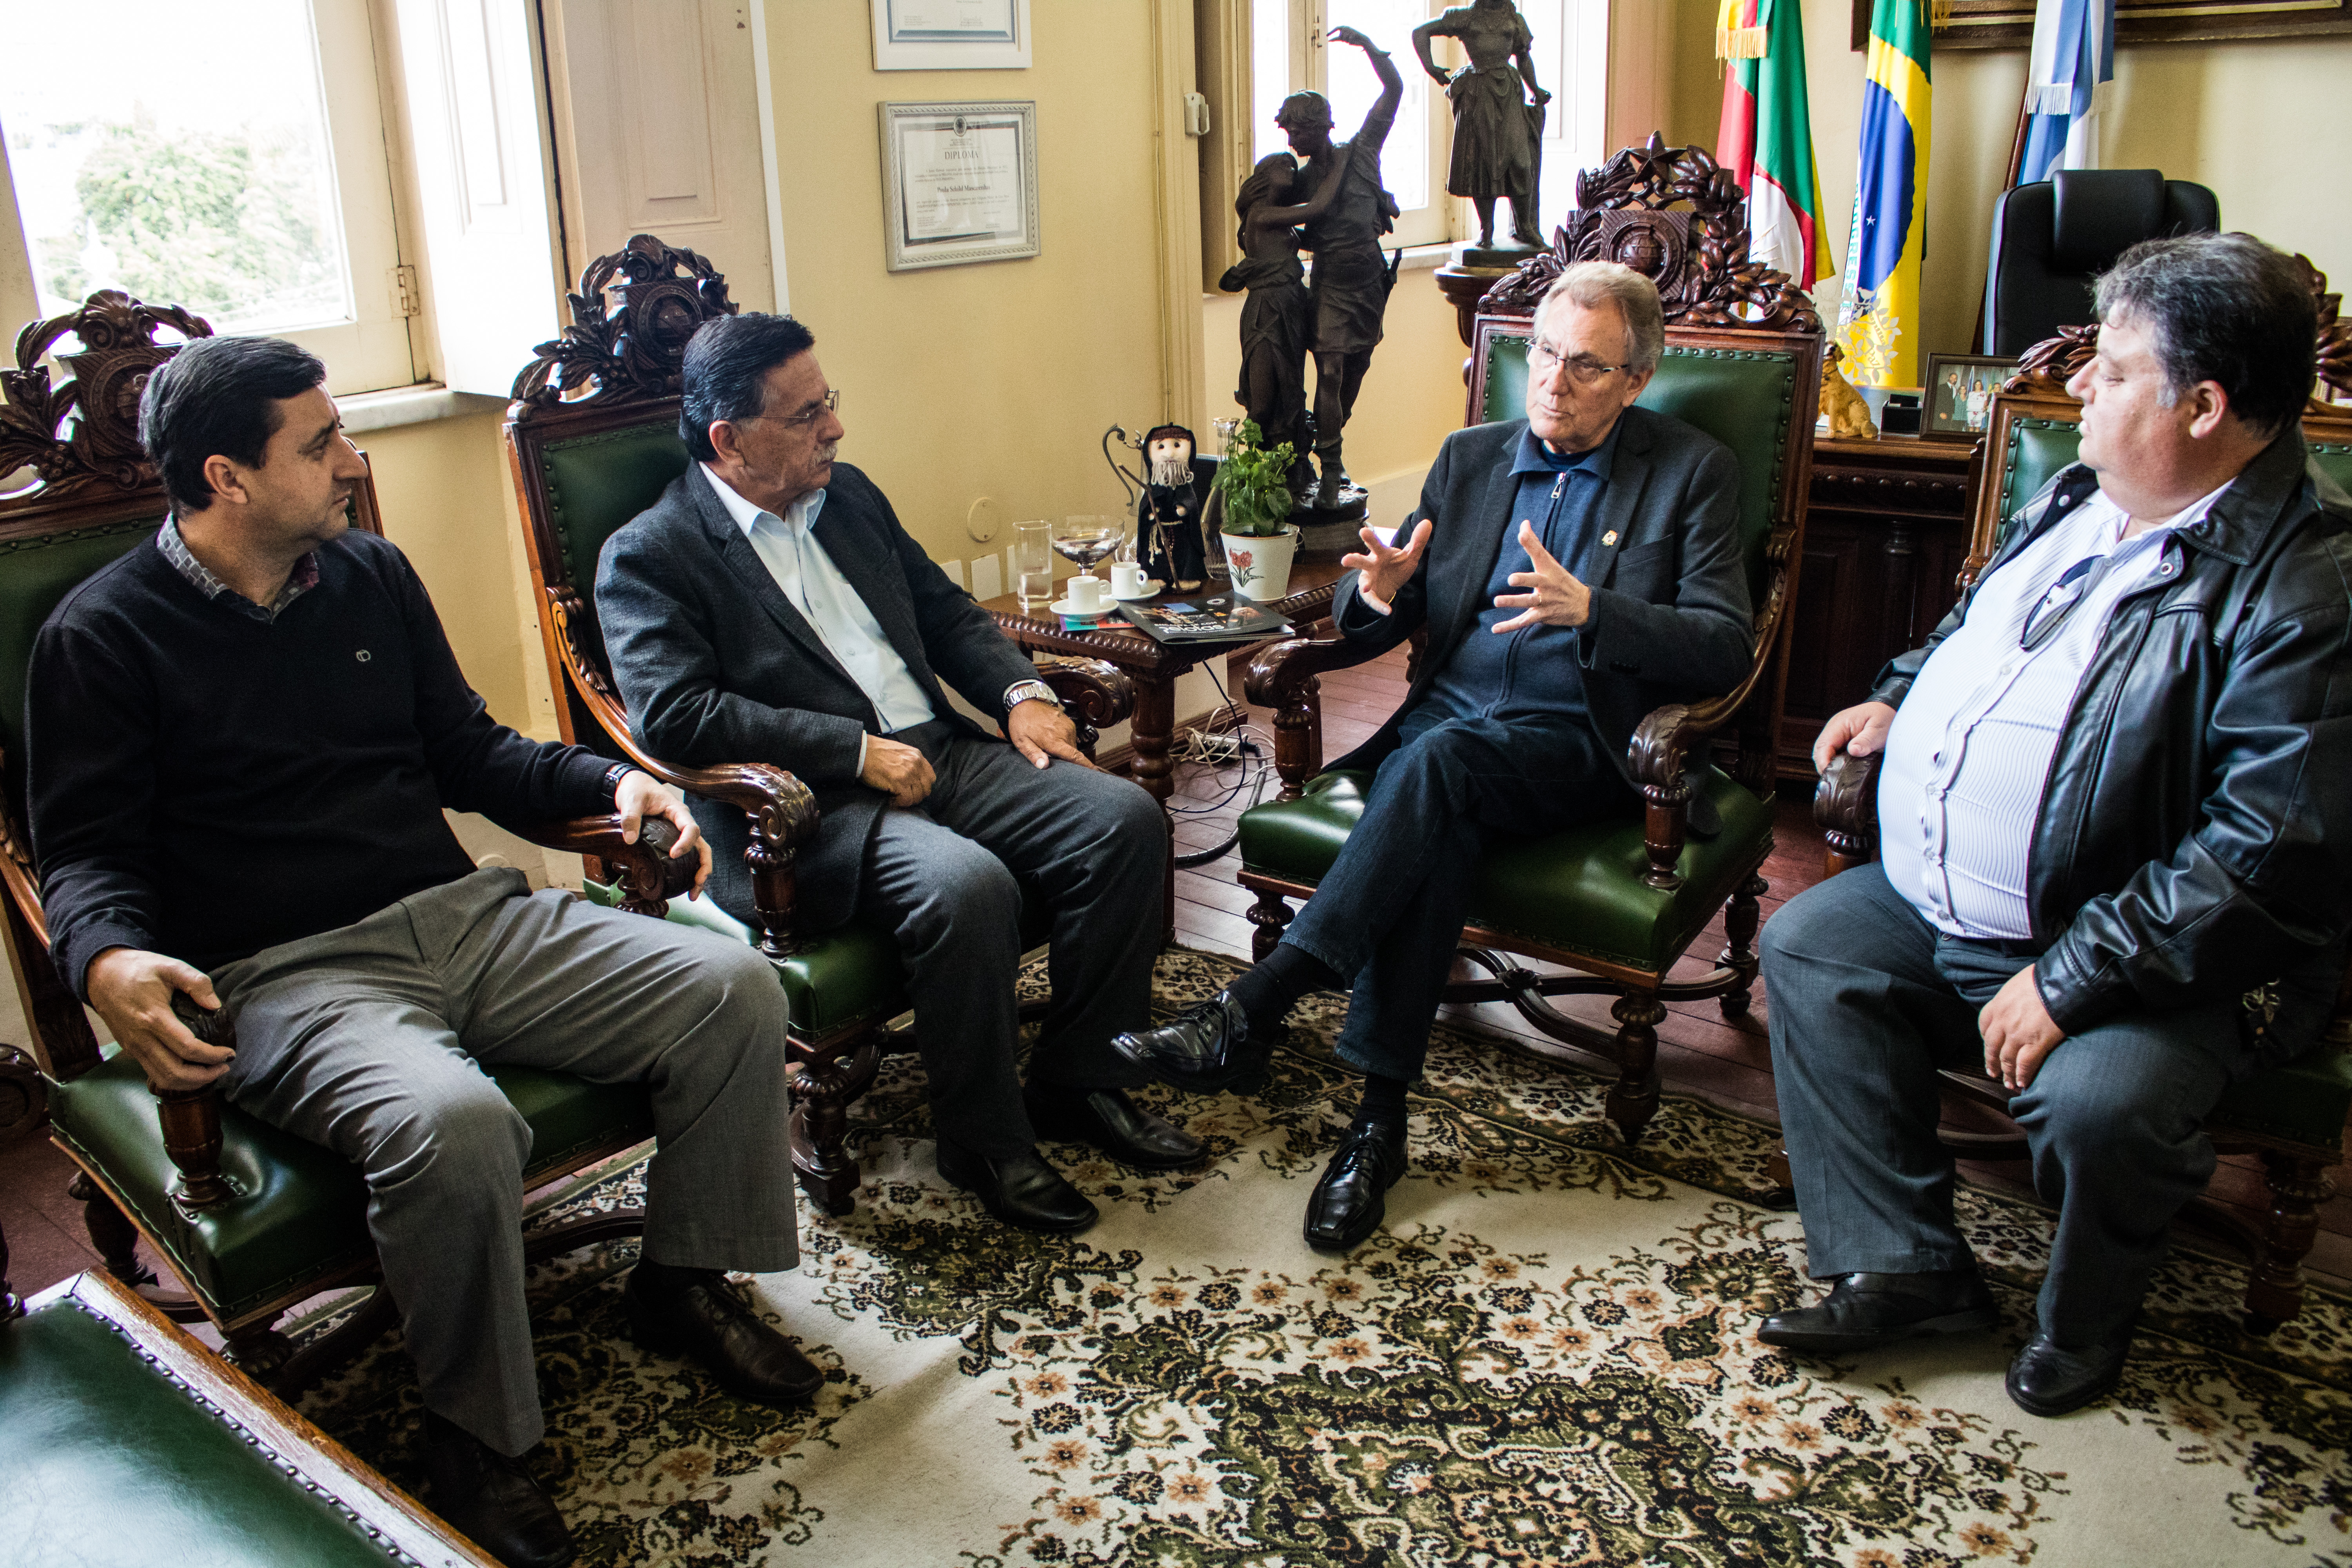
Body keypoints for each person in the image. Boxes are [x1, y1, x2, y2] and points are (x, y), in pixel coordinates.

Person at [29, 335, 815, 1568]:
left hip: (461, 917)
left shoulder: (371, 578)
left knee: (729, 983)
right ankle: (481, 1441)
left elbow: (474, 752)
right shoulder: (102, 636)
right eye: (322, 443)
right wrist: (107, 961)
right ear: (228, 478)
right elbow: (81, 858)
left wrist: (619, 780)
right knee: (454, 1125)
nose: (353, 461)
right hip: (285, 971)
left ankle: (682, 1278)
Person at [1756, 232, 2352, 1419]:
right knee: (1810, 947)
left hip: (2148, 956)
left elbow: (2267, 857)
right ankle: (1909, 1264)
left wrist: (2067, 980)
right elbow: (1975, 632)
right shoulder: (2082, 491)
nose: (2073, 385)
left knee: (2100, 1105)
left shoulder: (2310, 589)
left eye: (2112, 368)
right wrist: (1897, 689)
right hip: (1959, 902)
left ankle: (2084, 1316)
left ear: (2203, 405)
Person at [1112, 262, 1751, 1251]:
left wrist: (1599, 611)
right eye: (1543, 354)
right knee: (1438, 798)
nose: (1554, 381)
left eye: (1586, 366)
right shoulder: (1469, 458)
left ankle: (1257, 1007)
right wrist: (1377, 593)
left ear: (1635, 380)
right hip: (1443, 743)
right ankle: (1377, 1126)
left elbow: (1724, 645)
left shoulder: (1690, 471)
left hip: (1577, 745)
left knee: (1440, 767)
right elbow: (1373, 621)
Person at [595, 312, 1192, 1241]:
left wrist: (1021, 692)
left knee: (1123, 820)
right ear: (729, 439)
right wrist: (849, 750)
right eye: (803, 416)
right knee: (967, 886)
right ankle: (985, 1141)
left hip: (939, 750)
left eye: (828, 403)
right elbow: (676, 715)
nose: (833, 428)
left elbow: (944, 609)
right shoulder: (651, 554)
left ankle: (1083, 1079)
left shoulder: (852, 496)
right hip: (813, 808)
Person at [1281, 25, 1405, 510]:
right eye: (1287, 130)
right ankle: (1330, 471)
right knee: (1329, 372)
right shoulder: (1301, 180)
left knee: (1354, 374)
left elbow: (1393, 90)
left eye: (1298, 129)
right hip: (1330, 285)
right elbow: (1266, 215)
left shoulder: (1362, 152)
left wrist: (1371, 48)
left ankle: (1316, 445)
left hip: (1370, 283)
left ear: (1322, 126)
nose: (1292, 139)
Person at [1218, 149, 1351, 497]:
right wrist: (1339, 165)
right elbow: (1316, 209)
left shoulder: (1282, 223)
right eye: (1283, 165)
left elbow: (1320, 232)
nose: (1292, 170)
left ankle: (1290, 466)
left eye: (1295, 166)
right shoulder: (1261, 215)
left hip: (1292, 304)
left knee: (1293, 392)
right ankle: (1240, 475)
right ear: (1263, 176)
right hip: (1268, 310)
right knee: (1262, 401)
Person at [1412, 0, 1551, 251]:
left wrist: (1536, 89)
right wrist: (1430, 68)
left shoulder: (1514, 19)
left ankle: (1526, 227)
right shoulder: (1464, 17)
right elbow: (1421, 32)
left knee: (1522, 162)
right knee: (1483, 166)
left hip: (1508, 92)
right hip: (1478, 94)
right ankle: (1487, 229)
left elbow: (1524, 58)